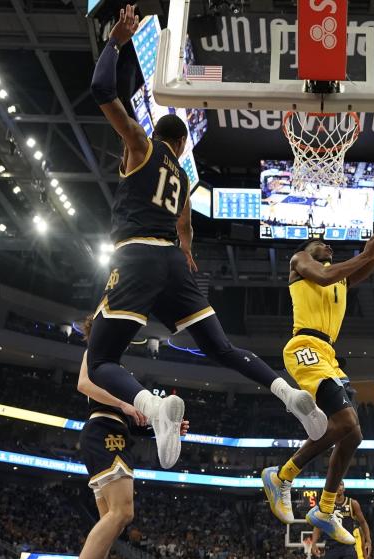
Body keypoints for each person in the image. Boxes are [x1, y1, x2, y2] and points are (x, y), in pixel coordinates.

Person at [85, 4, 326, 470]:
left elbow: (99, 89)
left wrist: (115, 42)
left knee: (101, 361)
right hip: (175, 263)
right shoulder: (181, 174)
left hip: (137, 257)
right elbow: (185, 223)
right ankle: (289, 394)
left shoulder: (140, 144)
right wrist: (189, 251)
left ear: (159, 135)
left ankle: (153, 407)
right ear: (182, 144)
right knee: (221, 348)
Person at [261, 199, 374, 542]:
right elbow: (327, 272)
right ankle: (281, 475)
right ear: (307, 249)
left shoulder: (342, 279)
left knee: (353, 434)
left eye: (329, 245)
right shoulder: (301, 261)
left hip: (327, 355)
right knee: (344, 421)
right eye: (322, 243)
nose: (327, 246)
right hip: (304, 347)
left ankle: (326, 509)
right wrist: (363, 254)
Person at [48, 318, 189, 559]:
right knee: (123, 512)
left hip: (118, 432)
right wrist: (125, 404)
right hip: (104, 430)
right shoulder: (95, 355)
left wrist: (161, 427)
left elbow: (135, 418)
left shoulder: (115, 365)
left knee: (111, 524)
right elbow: (83, 385)